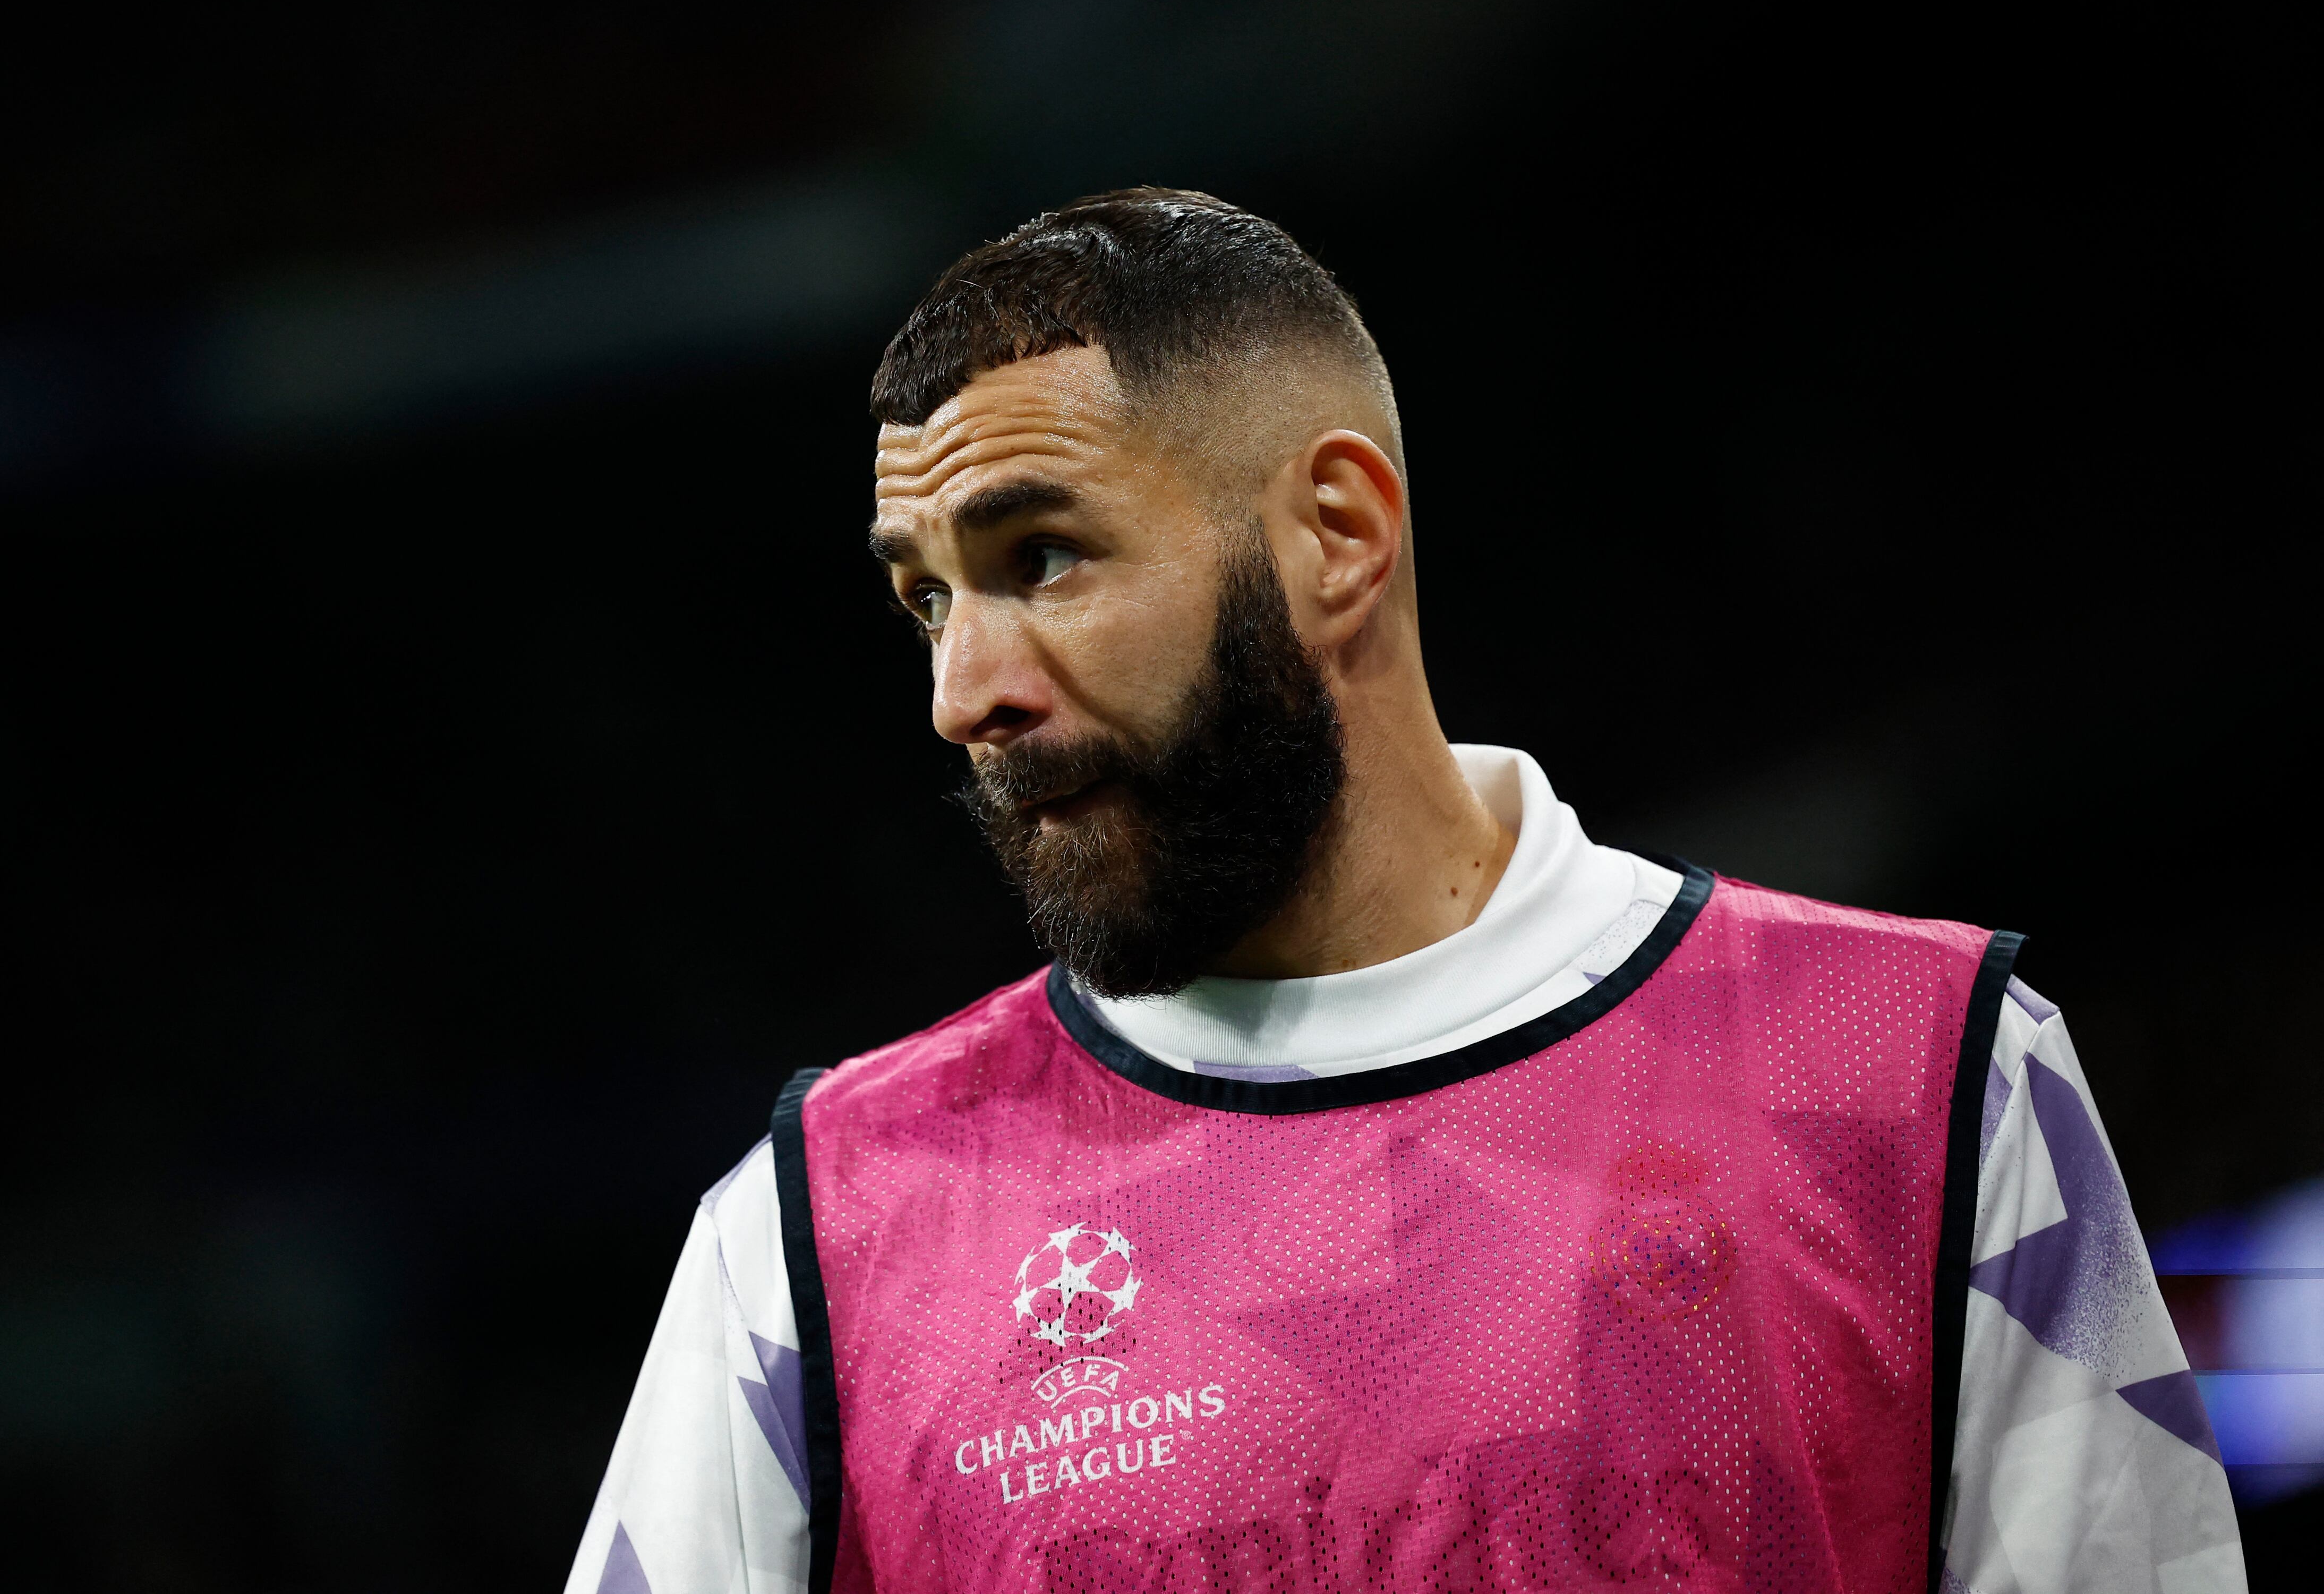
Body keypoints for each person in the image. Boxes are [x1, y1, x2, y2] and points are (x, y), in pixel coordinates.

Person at [565, 190, 2241, 1593]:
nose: (965, 690)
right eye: (926, 599)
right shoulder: (813, 1233)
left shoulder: (1930, 1075)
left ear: (1338, 533)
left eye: (1042, 558)